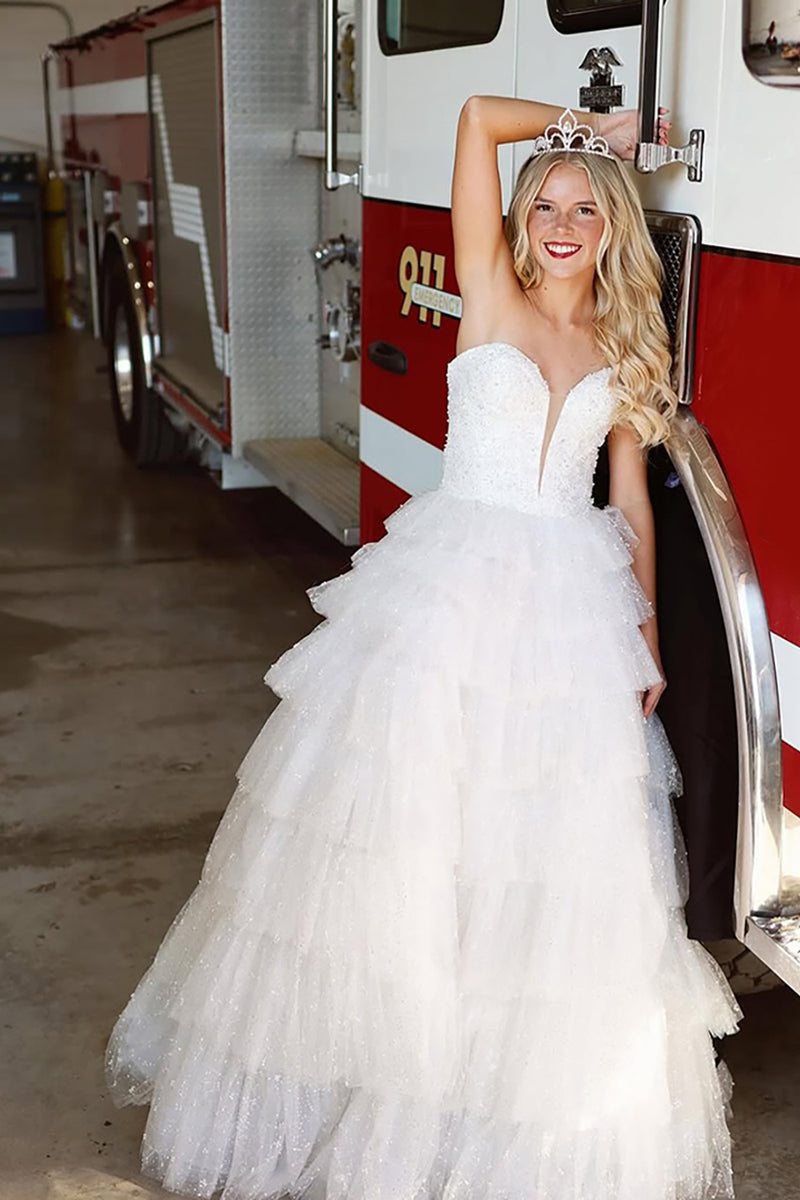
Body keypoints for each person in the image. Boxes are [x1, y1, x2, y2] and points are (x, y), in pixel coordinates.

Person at [105, 99, 743, 1200]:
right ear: (516, 219)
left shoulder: (622, 344)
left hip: (568, 610)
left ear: (611, 229)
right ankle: (389, 1076)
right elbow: (469, 119)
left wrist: (643, 639)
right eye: (542, 202)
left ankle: (495, 1102)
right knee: (410, 838)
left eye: (583, 208)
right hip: (451, 587)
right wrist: (594, 129)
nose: (559, 222)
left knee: (537, 854)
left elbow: (630, 504)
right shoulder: (488, 293)